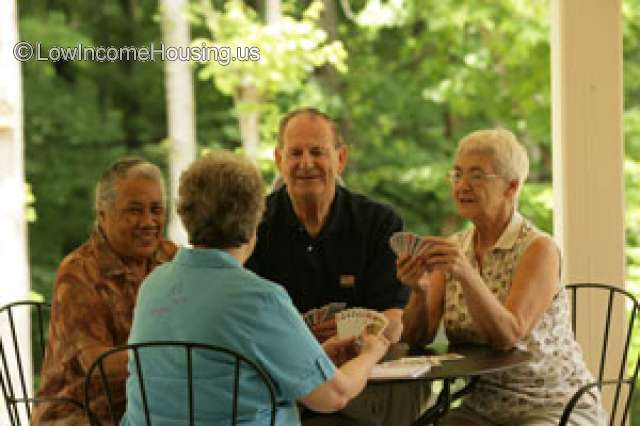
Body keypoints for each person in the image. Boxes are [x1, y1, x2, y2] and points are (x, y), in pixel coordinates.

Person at [121, 151, 390, 425]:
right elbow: (334, 396)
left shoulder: (152, 285)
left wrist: (317, 359)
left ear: (185, 216)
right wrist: (371, 353)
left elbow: (213, 380)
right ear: (253, 222)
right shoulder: (258, 298)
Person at [399, 129, 605, 425]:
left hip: (552, 403)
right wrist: (417, 292)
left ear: (511, 187)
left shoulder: (538, 249)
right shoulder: (455, 248)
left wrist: (466, 274)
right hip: (480, 407)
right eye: (457, 175)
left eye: (477, 175)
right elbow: (417, 338)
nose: (462, 186)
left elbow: (508, 336)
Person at [246, 108, 431, 426]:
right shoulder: (252, 225)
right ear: (279, 160)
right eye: (295, 153)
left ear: (340, 158)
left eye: (317, 152)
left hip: (363, 375)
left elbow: (393, 320)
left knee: (408, 380)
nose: (306, 164)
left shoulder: (379, 222)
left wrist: (358, 338)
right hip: (285, 378)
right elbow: (245, 325)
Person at [32, 157, 177, 425]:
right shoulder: (78, 271)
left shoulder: (171, 257)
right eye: (134, 210)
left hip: (151, 408)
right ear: (102, 214)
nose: (148, 221)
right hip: (79, 413)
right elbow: (100, 367)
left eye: (156, 209)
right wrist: (181, 357)